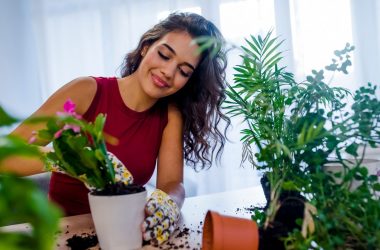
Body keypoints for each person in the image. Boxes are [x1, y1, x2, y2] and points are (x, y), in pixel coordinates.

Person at [1, 12, 230, 245]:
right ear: (146, 47)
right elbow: (5, 156)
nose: (168, 72)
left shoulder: (170, 115)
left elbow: (172, 183)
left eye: (184, 71)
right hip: (63, 234)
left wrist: (169, 202)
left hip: (123, 236)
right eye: (164, 55)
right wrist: (69, 160)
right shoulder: (87, 91)